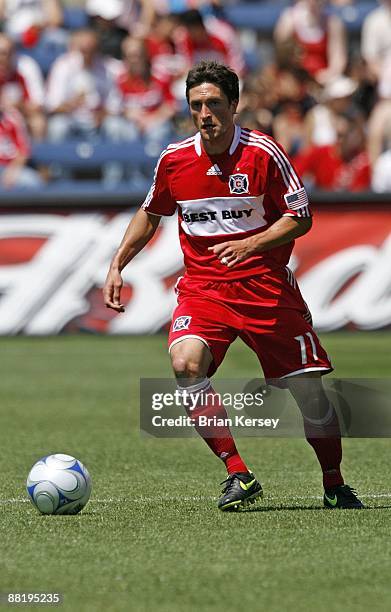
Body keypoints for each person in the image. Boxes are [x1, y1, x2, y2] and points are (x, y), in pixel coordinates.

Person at [103, 60, 364, 512]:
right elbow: (151, 212)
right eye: (196, 105)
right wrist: (117, 263)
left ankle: (334, 483)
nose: (206, 114)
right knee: (186, 364)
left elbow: (300, 217)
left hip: (265, 289)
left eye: (214, 103)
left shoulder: (264, 153)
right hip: (204, 289)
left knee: (310, 395)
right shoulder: (174, 160)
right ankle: (238, 472)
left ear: (234, 105)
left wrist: (254, 243)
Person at [294, 113, 370, 191]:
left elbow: (360, 194)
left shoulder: (362, 161)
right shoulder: (321, 152)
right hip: (322, 200)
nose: (339, 140)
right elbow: (294, 172)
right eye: (338, 135)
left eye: (343, 135)